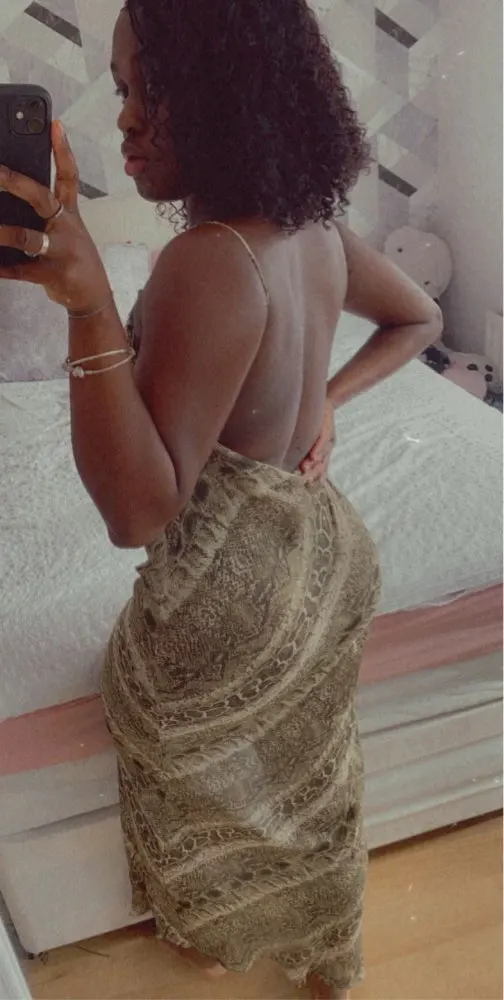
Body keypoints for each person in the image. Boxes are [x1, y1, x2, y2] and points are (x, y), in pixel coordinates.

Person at [0, 1, 442, 996]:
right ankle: (325, 940)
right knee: (317, 767)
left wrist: (90, 306)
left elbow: (140, 516)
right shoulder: (313, 225)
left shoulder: (206, 259)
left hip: (236, 592)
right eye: (123, 91)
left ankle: (213, 919)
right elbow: (419, 317)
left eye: (144, 90)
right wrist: (324, 403)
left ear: (220, 93)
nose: (124, 119)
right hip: (329, 557)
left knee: (142, 703)